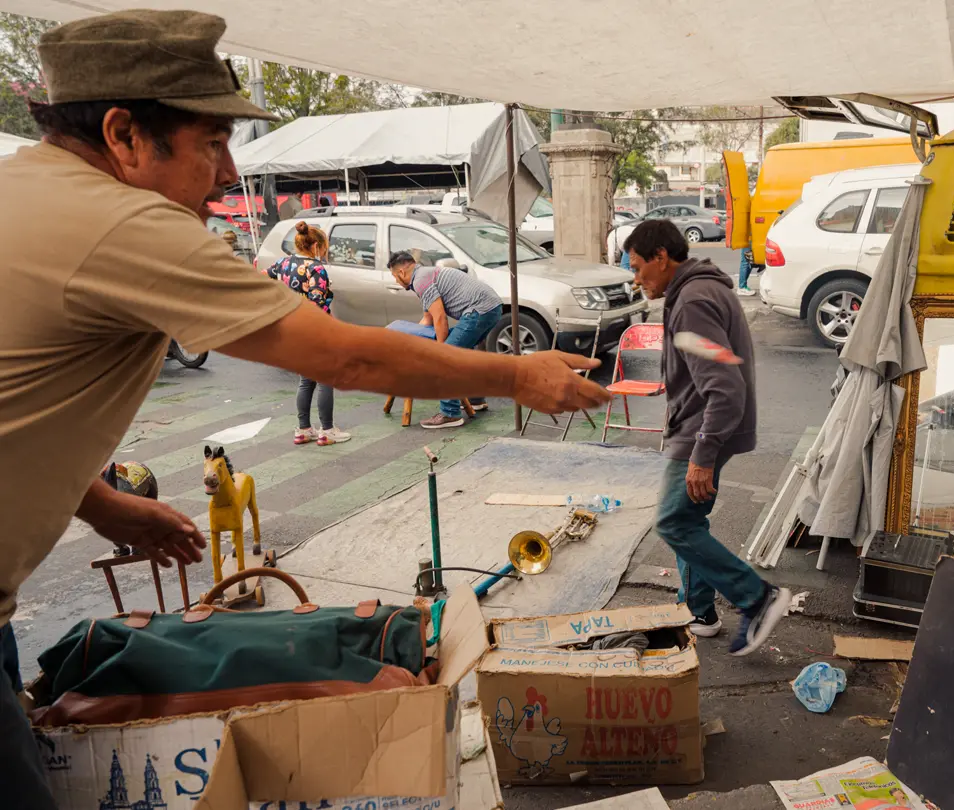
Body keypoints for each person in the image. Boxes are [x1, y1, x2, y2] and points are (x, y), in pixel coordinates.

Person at [0, 12, 607, 806]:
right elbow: (344, 356)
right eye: (211, 142)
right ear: (124, 136)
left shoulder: (26, 192)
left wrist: (102, 502)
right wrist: (517, 378)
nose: (226, 173)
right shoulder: (120, 220)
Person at [624, 219, 791, 656]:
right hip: (699, 427)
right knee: (689, 522)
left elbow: (725, 387)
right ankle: (700, 612)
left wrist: (703, 452)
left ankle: (759, 597)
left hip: (702, 431)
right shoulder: (698, 291)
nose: (636, 277)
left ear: (662, 257)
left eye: (639, 266)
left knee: (674, 522)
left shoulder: (693, 300)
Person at [388, 250, 504, 429]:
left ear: (402, 272)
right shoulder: (426, 275)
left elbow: (440, 318)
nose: (396, 280)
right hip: (492, 307)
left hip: (478, 310)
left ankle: (450, 414)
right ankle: (476, 399)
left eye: (395, 276)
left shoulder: (420, 281)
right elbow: (428, 319)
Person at [265, 221, 351, 446]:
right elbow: (316, 305)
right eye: (323, 248)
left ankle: (303, 429)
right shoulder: (316, 269)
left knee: (306, 380)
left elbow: (264, 277)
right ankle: (327, 430)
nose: (324, 252)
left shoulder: (283, 263)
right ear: (315, 246)